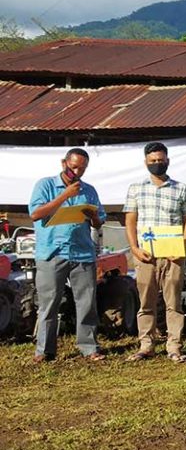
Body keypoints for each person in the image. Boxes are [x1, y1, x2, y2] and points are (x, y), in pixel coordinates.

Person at [28, 147, 106, 363]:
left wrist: (94, 217)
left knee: (87, 302)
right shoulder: (45, 185)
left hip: (81, 253)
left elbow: (99, 221)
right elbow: (35, 214)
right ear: (64, 163)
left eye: (82, 168)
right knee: (49, 302)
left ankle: (89, 347)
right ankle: (44, 350)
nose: (78, 172)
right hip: (52, 252)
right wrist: (65, 195)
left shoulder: (89, 190)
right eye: (74, 167)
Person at [124, 142, 186, 363]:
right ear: (146, 162)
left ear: (167, 161)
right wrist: (134, 248)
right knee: (146, 301)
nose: (157, 164)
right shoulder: (136, 188)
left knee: (173, 302)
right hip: (146, 255)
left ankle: (174, 345)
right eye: (153, 161)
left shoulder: (181, 188)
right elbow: (130, 220)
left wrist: (183, 246)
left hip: (173, 255)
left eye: (160, 160)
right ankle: (146, 344)